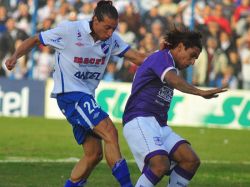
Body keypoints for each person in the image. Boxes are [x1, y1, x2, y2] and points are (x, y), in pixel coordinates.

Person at [5, 1, 148, 187]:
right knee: (110, 131)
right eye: (107, 28)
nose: (111, 33)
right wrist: (15, 56)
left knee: (94, 154)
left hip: (85, 96)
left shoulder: (111, 39)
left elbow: (138, 57)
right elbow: (35, 39)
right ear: (95, 20)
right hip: (70, 95)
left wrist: (165, 58)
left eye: (114, 28)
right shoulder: (69, 31)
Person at [122, 27, 227, 187]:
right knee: (160, 165)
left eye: (195, 59)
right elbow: (173, 80)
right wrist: (200, 92)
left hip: (159, 125)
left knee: (190, 160)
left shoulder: (168, 61)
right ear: (179, 47)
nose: (192, 62)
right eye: (192, 56)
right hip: (139, 119)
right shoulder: (163, 57)